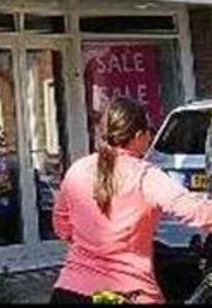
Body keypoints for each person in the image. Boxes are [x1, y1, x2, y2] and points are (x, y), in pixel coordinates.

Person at [52, 96, 212, 303]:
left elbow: (61, 226)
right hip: (129, 293)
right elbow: (196, 211)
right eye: (149, 132)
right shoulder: (145, 176)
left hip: (70, 291)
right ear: (138, 136)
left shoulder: (77, 170)